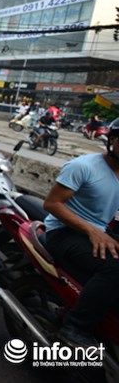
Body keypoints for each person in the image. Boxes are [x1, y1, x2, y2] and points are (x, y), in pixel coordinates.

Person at [42, 118, 119, 346]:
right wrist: (92, 231)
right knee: (115, 269)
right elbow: (52, 204)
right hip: (64, 232)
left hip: (99, 232)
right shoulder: (84, 166)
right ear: (112, 140)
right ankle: (75, 326)